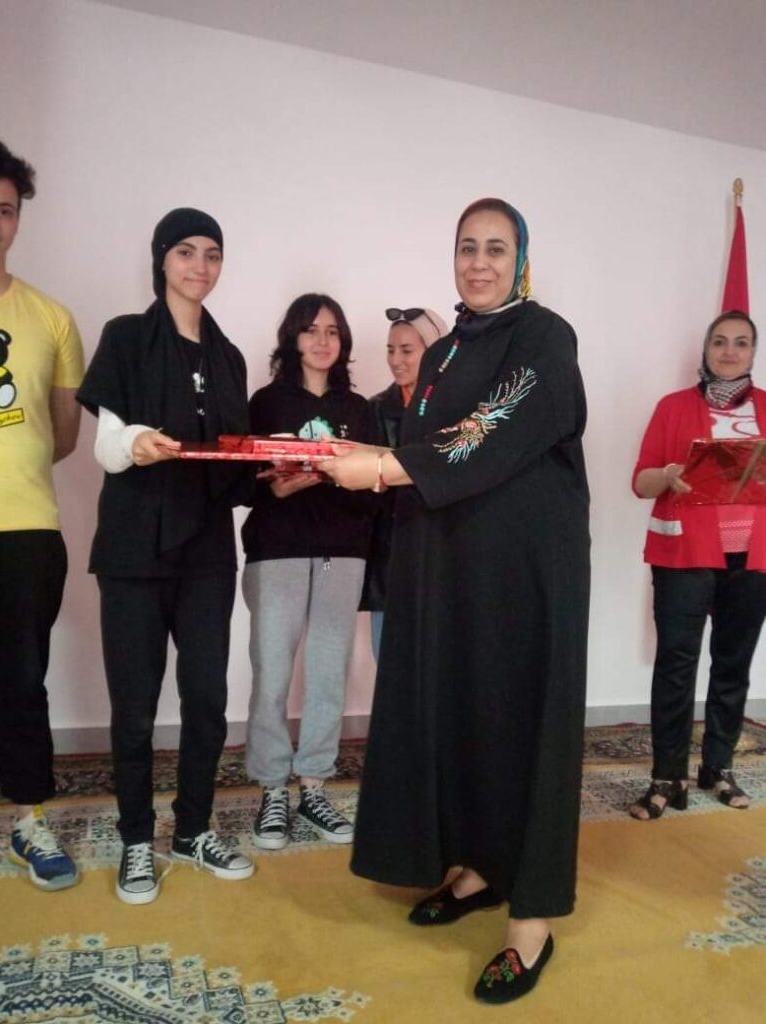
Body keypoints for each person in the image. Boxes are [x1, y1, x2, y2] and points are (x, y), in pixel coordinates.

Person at [322, 198, 590, 1004]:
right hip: (452, 566)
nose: (479, 262)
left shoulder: (545, 335)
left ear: (521, 260)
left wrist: (382, 468)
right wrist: (354, 454)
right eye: (467, 247)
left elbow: (492, 427)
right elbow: (423, 448)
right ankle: (477, 868)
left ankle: (531, 922)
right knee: (465, 710)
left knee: (526, 721)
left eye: (496, 248)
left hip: (527, 569)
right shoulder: (439, 354)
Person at [77, 208, 254, 904]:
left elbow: (232, 456)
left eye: (212, 253)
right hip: (133, 550)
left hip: (207, 549)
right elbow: (106, 445)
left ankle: (193, 830)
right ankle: (135, 840)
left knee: (207, 698)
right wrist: (137, 442)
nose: (200, 266)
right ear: (161, 258)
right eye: (186, 251)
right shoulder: (125, 337)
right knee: (135, 707)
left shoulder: (228, 356)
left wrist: (274, 473)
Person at [242, 293, 375, 852]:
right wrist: (273, 488)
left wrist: (347, 475)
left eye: (332, 331)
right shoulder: (265, 402)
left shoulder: (359, 408)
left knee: (327, 675)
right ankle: (273, 789)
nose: (323, 340)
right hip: (277, 551)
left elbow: (378, 482)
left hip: (342, 553)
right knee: (272, 674)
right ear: (292, 338)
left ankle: (314, 786)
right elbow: (241, 479)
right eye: (311, 330)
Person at [629, 310, 766, 821]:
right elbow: (640, 482)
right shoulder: (673, 407)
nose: (729, 351)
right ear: (706, 349)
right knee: (675, 665)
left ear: (753, 353)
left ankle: (718, 767)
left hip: (752, 559)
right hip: (685, 556)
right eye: (720, 342)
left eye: (741, 343)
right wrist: (668, 475)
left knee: (733, 665)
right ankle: (667, 777)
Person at [0, 140, 84, 891]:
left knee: (22, 679)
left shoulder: (52, 318)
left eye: (4, 209)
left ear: (18, 218)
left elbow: (62, 436)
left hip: (26, 528)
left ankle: (27, 821)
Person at [360, 306, 447, 659]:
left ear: (435, 352)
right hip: (391, 556)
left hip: (442, 554)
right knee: (389, 660)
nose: (396, 360)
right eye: (390, 350)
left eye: (407, 350)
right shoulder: (374, 409)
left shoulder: (457, 410)